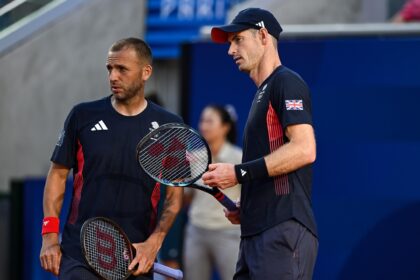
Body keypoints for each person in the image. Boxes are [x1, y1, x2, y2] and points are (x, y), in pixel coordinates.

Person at [39, 37, 183, 279]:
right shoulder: (82, 115)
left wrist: (154, 242)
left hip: (136, 259)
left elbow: (174, 196)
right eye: (110, 69)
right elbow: (58, 175)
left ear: (146, 72)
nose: (113, 77)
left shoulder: (171, 126)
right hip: (79, 254)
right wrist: (50, 237)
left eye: (122, 69)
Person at [202, 8, 318, 280]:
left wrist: (237, 172)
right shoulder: (261, 93)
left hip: (280, 229)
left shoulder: (285, 81)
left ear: (263, 36)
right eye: (230, 42)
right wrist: (252, 204)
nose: (231, 50)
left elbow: (304, 148)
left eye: (238, 39)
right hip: (256, 233)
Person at [183, 104, 242, 280]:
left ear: (225, 127)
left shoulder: (239, 157)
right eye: (202, 121)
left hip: (229, 234)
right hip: (196, 231)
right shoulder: (193, 158)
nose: (204, 126)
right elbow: (188, 197)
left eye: (210, 121)